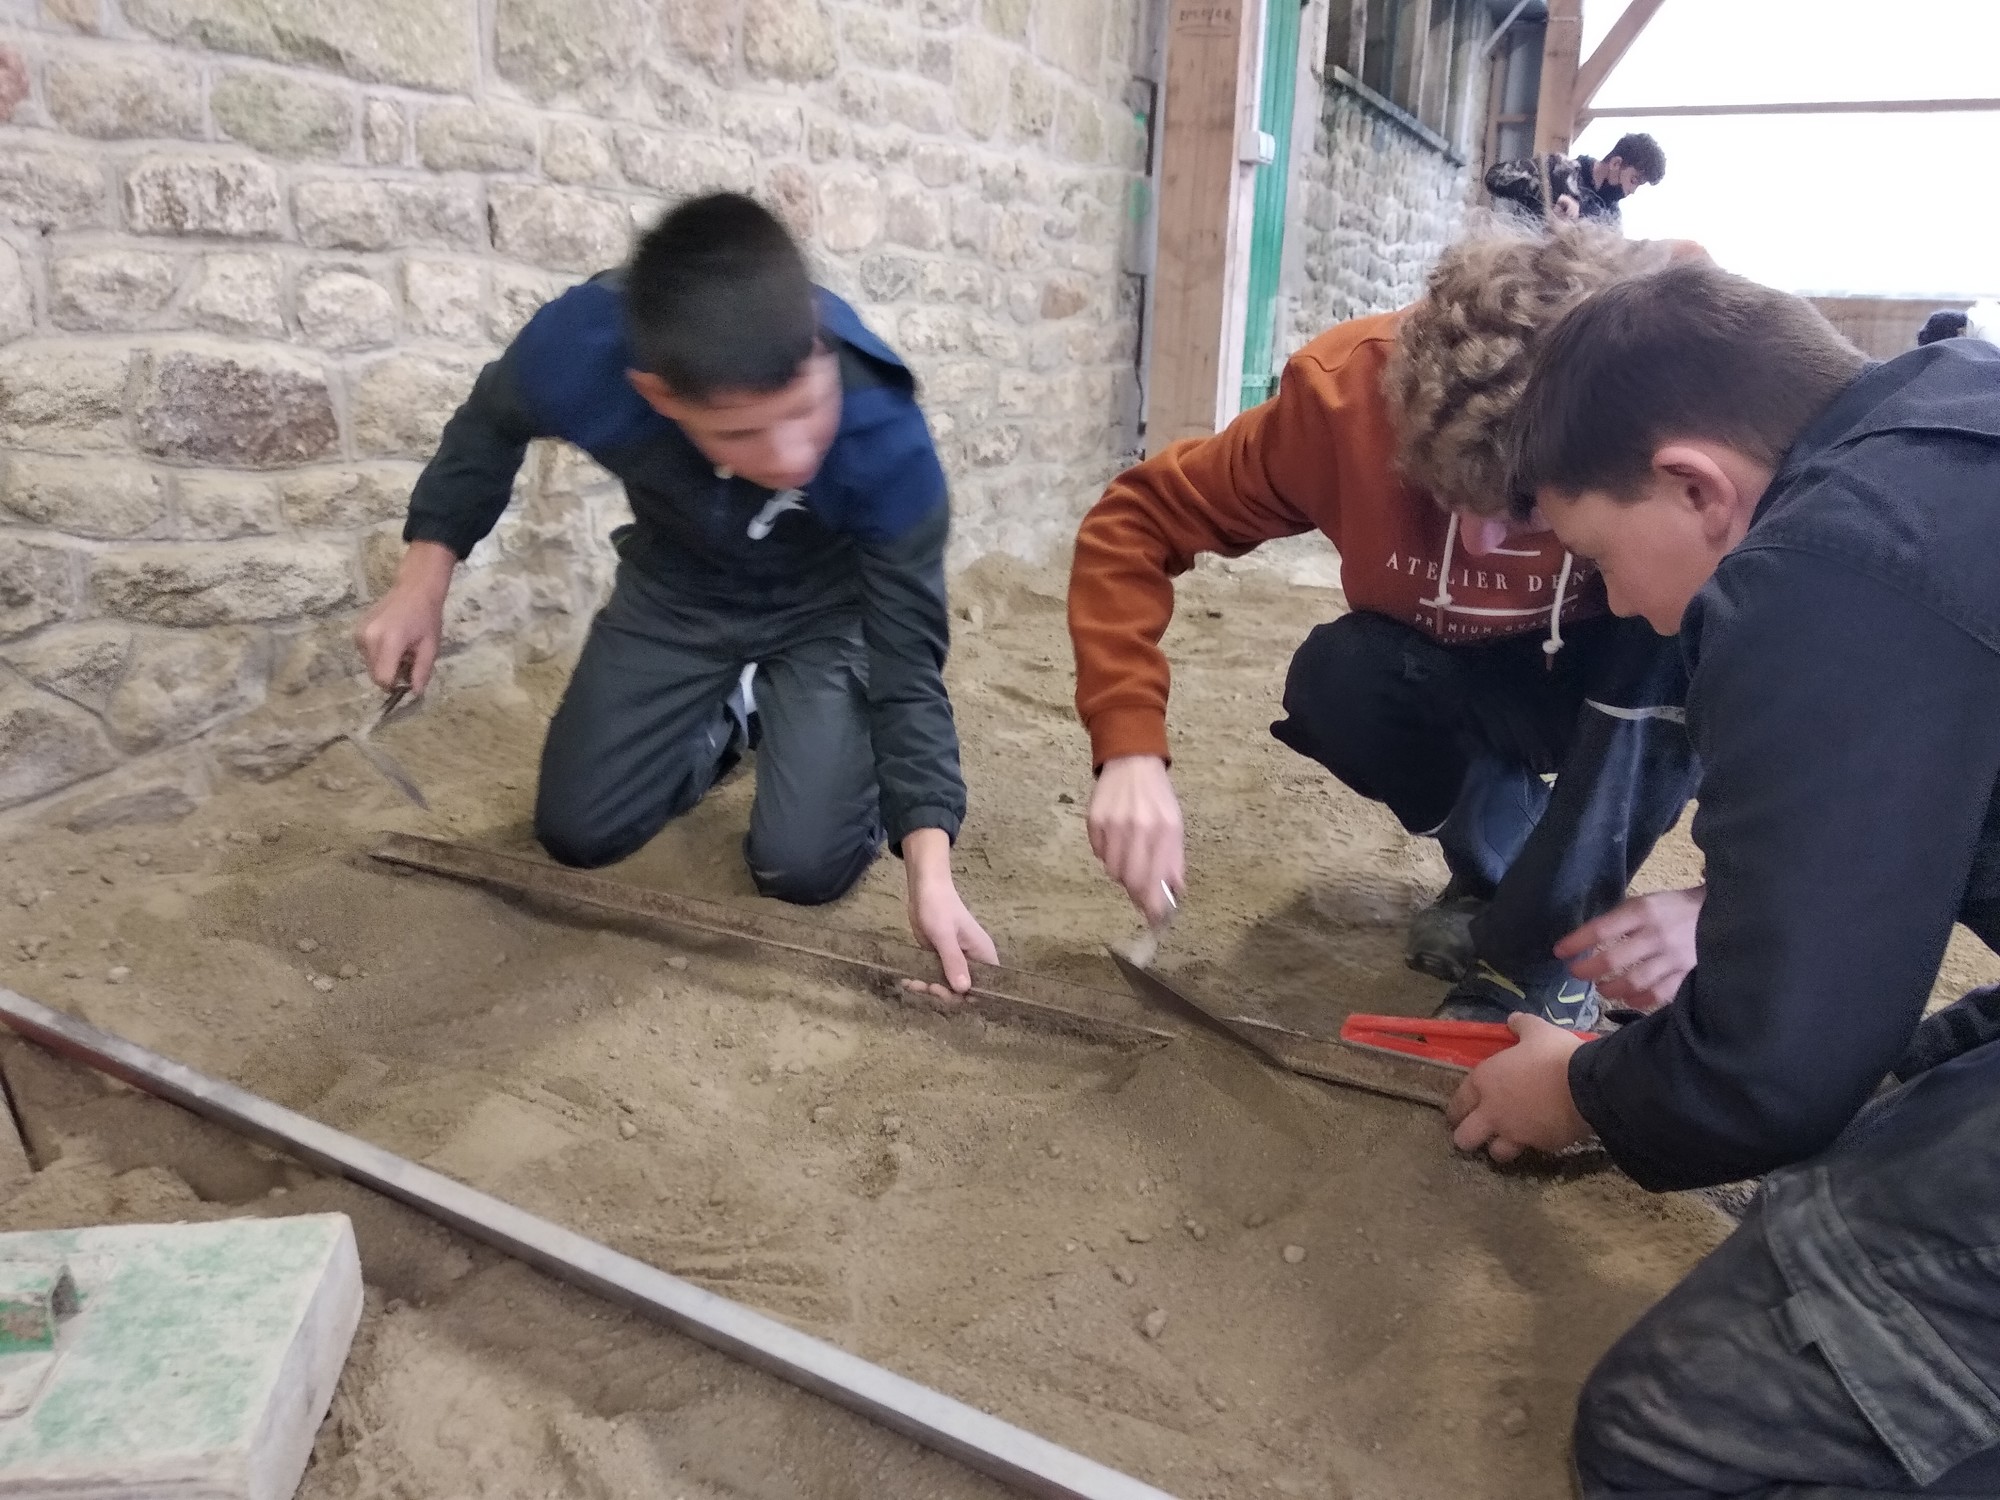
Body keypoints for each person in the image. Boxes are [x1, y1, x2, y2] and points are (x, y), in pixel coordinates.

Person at [1451, 256, 2000, 1496]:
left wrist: (1579, 1093)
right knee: (1892, 1108)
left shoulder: (1826, 568)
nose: (1621, 608)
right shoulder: (1952, 424)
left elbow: (1770, 1079)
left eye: (1598, 558)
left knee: (1669, 1438)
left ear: (1695, 486)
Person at [356, 192, 996, 991]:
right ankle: (739, 714)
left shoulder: (886, 439)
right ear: (658, 395)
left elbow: (908, 665)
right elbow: (490, 423)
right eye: (741, 433)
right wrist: (422, 581)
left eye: (805, 409)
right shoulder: (578, 345)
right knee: (578, 831)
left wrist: (929, 872)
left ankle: (803, 712)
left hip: (829, 611)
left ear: (823, 351)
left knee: (801, 869)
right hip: (680, 586)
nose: (793, 456)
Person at [1068, 222, 1700, 1027]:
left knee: (1679, 629)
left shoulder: (1672, 424)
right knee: (1340, 677)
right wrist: (1128, 751)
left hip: (1606, 678)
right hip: (1458, 675)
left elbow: (1807, 673)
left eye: (1523, 509)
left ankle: (1548, 948)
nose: (1480, 541)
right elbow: (1138, 519)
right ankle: (1510, 884)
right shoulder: (1345, 396)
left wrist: (1724, 907)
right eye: (1445, 494)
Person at [1484, 132, 1666, 226]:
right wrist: (1547, 195)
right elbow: (1495, 177)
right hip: (1514, 270)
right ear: (1616, 164)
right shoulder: (1558, 168)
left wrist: (1579, 218)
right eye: (1634, 180)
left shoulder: (1611, 221)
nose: (1632, 191)